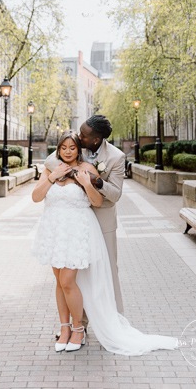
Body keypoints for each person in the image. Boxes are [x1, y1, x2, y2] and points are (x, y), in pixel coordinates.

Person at [32, 131, 177, 355]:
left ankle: (79, 329)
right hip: (54, 229)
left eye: (72, 148)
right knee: (59, 282)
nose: (68, 152)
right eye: (64, 148)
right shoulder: (51, 168)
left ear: (79, 150)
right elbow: (36, 197)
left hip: (78, 230)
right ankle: (64, 328)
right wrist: (52, 177)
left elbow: (98, 201)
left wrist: (87, 184)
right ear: (58, 150)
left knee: (68, 280)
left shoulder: (87, 169)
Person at [45, 115, 126, 314]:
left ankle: (114, 318)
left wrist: (96, 182)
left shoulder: (116, 157)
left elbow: (115, 195)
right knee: (75, 272)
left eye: (84, 134)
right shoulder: (76, 147)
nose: (79, 137)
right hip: (76, 219)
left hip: (102, 218)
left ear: (96, 140)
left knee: (107, 271)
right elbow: (49, 160)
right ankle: (80, 321)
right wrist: (73, 173)